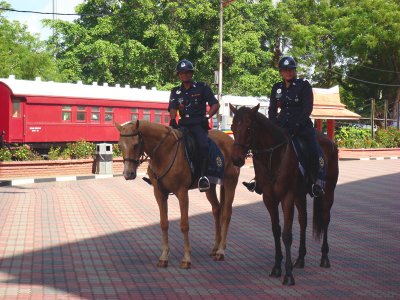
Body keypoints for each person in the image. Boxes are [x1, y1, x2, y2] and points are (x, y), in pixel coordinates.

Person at [243, 56, 325, 197]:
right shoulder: (277, 88)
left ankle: (316, 182)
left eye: (291, 70)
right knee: (260, 150)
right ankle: (259, 181)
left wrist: (297, 125)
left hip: (302, 127)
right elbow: (272, 109)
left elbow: (307, 108)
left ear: (294, 71)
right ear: (281, 72)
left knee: (313, 149)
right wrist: (273, 126)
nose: (288, 72)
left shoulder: (304, 85)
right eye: (285, 70)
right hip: (281, 127)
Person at [168, 59, 220, 192]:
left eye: (187, 73)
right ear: (178, 75)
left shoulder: (202, 87)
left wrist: (208, 116)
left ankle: (203, 177)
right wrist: (173, 120)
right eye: (181, 73)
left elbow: (215, 104)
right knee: (166, 143)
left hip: (198, 124)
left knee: (203, 146)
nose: (184, 75)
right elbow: (173, 107)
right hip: (183, 124)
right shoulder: (175, 91)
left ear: (191, 74)